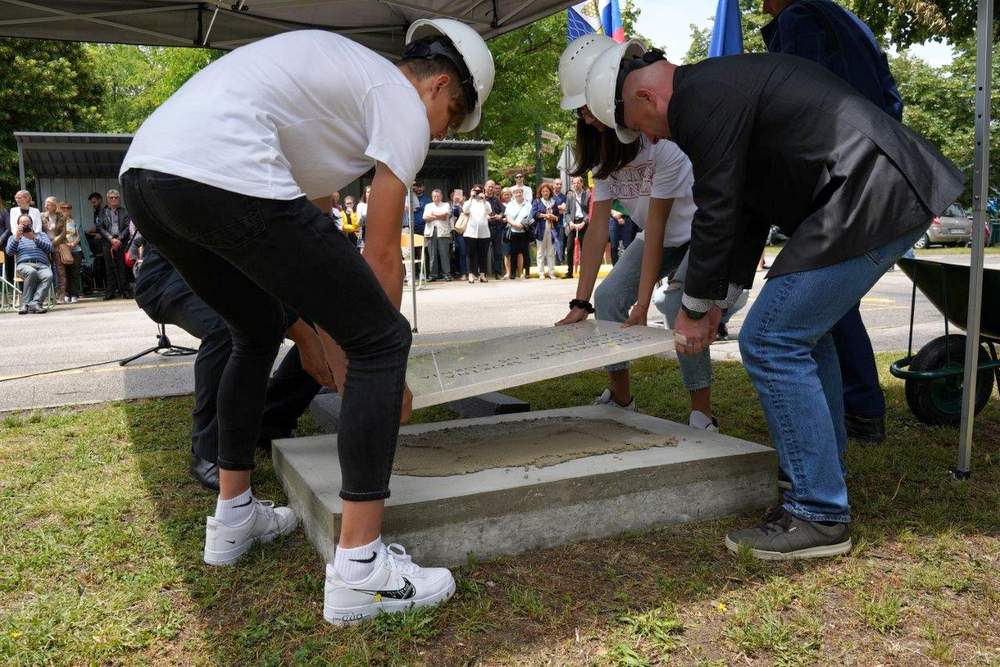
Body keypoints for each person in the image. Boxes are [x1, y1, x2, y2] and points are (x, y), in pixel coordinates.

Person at [119, 20, 494, 623]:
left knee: (254, 329)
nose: (445, 130)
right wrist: (375, 361)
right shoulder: (396, 99)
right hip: (216, 171)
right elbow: (380, 255)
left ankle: (234, 516)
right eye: (452, 114)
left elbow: (310, 240)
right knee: (383, 337)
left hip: (147, 176)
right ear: (438, 85)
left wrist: (324, 337)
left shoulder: (340, 93)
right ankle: (362, 571)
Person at [599, 42, 962, 559]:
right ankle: (820, 473)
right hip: (870, 190)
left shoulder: (699, 98)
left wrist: (695, 306)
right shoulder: (715, 87)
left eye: (638, 126)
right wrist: (719, 296)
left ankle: (818, 512)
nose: (649, 138)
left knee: (770, 338)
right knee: (802, 336)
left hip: (870, 193)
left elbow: (718, 207)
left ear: (642, 95)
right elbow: (746, 210)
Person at [557, 35, 724, 433]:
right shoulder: (604, 155)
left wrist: (645, 302)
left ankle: (702, 412)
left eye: (588, 109)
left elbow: (659, 223)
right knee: (610, 297)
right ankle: (621, 398)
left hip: (696, 233)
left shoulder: (659, 141)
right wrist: (581, 301)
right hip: (657, 236)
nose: (587, 119)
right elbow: (597, 231)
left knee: (682, 305)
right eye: (580, 112)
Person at [762, 0, 902, 444]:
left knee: (816, 300)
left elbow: (799, 100)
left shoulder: (801, 18)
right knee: (833, 299)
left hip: (838, 172)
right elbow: (890, 98)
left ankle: (857, 409)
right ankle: (858, 408)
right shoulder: (851, 22)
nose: (763, 6)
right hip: (874, 161)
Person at [131, 235, 323, 490]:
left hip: (240, 273)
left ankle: (272, 419)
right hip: (177, 273)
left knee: (324, 318)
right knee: (230, 327)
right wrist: (298, 329)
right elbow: (228, 256)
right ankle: (208, 450)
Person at [7, 214, 53, 314]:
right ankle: (25, 304)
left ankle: (35, 303)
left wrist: (34, 238)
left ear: (32, 224)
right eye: (23, 224)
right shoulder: (13, 237)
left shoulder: (41, 235)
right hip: (24, 265)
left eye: (28, 223)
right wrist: (17, 238)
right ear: (18, 225)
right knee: (31, 272)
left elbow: (50, 248)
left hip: (42, 265)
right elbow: (9, 252)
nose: (26, 226)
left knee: (48, 275)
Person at [97, 189, 133, 300]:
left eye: (116, 197)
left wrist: (119, 238)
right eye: (111, 197)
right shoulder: (103, 212)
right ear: (107, 199)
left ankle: (125, 291)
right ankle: (110, 292)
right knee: (109, 268)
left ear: (119, 198)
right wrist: (110, 238)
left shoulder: (124, 211)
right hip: (108, 242)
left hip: (121, 241)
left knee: (122, 267)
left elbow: (128, 227)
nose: (113, 199)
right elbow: (100, 227)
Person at [40, 196, 69, 303]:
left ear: (54, 205)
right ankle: (48, 295)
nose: (46, 205)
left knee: (60, 271)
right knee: (46, 270)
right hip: (45, 245)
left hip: (57, 245)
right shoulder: (41, 216)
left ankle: (61, 295)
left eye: (48, 203)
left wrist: (53, 243)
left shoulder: (61, 216)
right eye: (45, 203)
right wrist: (47, 244)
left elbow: (63, 233)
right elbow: (39, 231)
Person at [462, 183, 491, 283]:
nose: (477, 193)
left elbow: (489, 211)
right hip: (470, 232)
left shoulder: (485, 203)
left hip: (484, 233)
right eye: (476, 191)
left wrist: (484, 200)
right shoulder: (469, 202)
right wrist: (471, 197)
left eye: (479, 191)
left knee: (483, 255)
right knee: (470, 254)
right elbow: (465, 210)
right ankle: (470, 274)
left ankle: (482, 275)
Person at [423, 188, 452, 280]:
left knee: (444, 254)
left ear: (441, 196)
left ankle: (446, 274)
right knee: (432, 255)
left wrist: (433, 215)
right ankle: (433, 275)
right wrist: (439, 215)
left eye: (438, 196)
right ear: (432, 197)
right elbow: (425, 218)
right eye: (434, 196)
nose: (436, 198)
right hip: (431, 232)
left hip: (443, 232)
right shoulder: (428, 205)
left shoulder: (446, 204)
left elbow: (445, 216)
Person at [564, 176, 589, 279]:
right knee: (569, 248)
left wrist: (584, 222)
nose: (575, 185)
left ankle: (584, 272)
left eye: (577, 183)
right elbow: (566, 212)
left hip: (584, 223)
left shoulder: (588, 195)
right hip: (573, 224)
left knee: (584, 249)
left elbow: (590, 211)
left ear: (582, 183)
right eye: (574, 183)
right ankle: (569, 272)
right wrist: (570, 222)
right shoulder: (570, 196)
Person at [504, 186, 532, 280]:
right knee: (513, 253)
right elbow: (507, 217)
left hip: (524, 231)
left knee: (525, 253)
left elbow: (530, 217)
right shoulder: (510, 204)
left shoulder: (528, 205)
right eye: (516, 193)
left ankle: (527, 272)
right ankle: (512, 273)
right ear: (513, 194)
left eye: (519, 192)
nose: (518, 194)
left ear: (522, 193)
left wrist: (522, 225)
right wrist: (515, 224)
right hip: (513, 231)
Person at [531, 183, 559, 279]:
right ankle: (541, 272)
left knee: (551, 252)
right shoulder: (537, 201)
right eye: (543, 191)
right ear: (540, 192)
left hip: (551, 229)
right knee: (540, 252)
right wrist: (544, 215)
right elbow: (534, 214)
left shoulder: (553, 202)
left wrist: (553, 216)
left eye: (547, 191)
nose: (545, 193)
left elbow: (558, 216)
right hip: (541, 230)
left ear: (550, 192)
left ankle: (551, 272)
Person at [58, 201, 83, 302]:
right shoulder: (58, 221)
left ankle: (74, 294)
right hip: (63, 249)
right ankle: (66, 294)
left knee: (75, 272)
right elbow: (56, 235)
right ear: (60, 209)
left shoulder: (74, 220)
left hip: (75, 248)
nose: (66, 209)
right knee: (65, 273)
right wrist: (65, 243)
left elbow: (78, 235)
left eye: (68, 208)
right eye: (63, 208)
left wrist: (74, 243)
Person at [485, 180, 506, 279]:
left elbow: (503, 211)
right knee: (483, 251)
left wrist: (499, 216)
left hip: (496, 228)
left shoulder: (496, 199)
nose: (490, 188)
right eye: (489, 186)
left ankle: (498, 273)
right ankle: (483, 273)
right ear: (485, 187)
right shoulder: (481, 199)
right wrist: (485, 217)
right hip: (485, 228)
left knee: (498, 252)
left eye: (492, 187)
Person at [450, 188, 467, 277]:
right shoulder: (454, 206)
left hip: (470, 231)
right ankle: (463, 273)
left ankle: (473, 272)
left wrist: (462, 203)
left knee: (471, 253)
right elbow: (453, 213)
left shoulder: (468, 204)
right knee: (462, 253)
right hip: (460, 232)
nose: (457, 197)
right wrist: (455, 203)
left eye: (460, 195)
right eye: (454, 196)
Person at [551, 178, 567, 265]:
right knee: (551, 242)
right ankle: (551, 262)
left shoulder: (564, 197)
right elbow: (549, 209)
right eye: (557, 184)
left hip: (560, 222)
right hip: (549, 222)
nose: (559, 186)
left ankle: (559, 261)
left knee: (560, 241)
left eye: (560, 184)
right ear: (553, 185)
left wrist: (556, 208)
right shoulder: (549, 195)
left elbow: (564, 209)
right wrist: (558, 207)